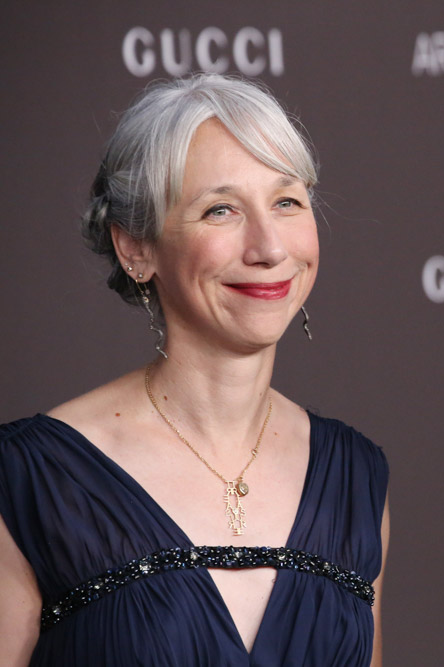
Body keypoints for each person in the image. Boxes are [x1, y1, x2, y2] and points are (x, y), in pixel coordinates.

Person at [0, 74, 389, 666]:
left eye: (287, 201)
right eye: (221, 210)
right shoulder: (32, 479)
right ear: (136, 248)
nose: (269, 247)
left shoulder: (356, 477)